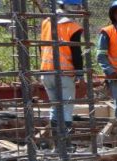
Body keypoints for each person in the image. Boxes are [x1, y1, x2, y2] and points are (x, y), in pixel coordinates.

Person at [39, 0, 85, 132]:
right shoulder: (72, 26)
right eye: (77, 6)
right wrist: (81, 76)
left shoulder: (46, 22)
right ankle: (66, 143)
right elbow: (76, 53)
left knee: (55, 107)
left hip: (46, 71)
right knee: (66, 108)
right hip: (64, 74)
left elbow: (41, 46)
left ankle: (57, 142)